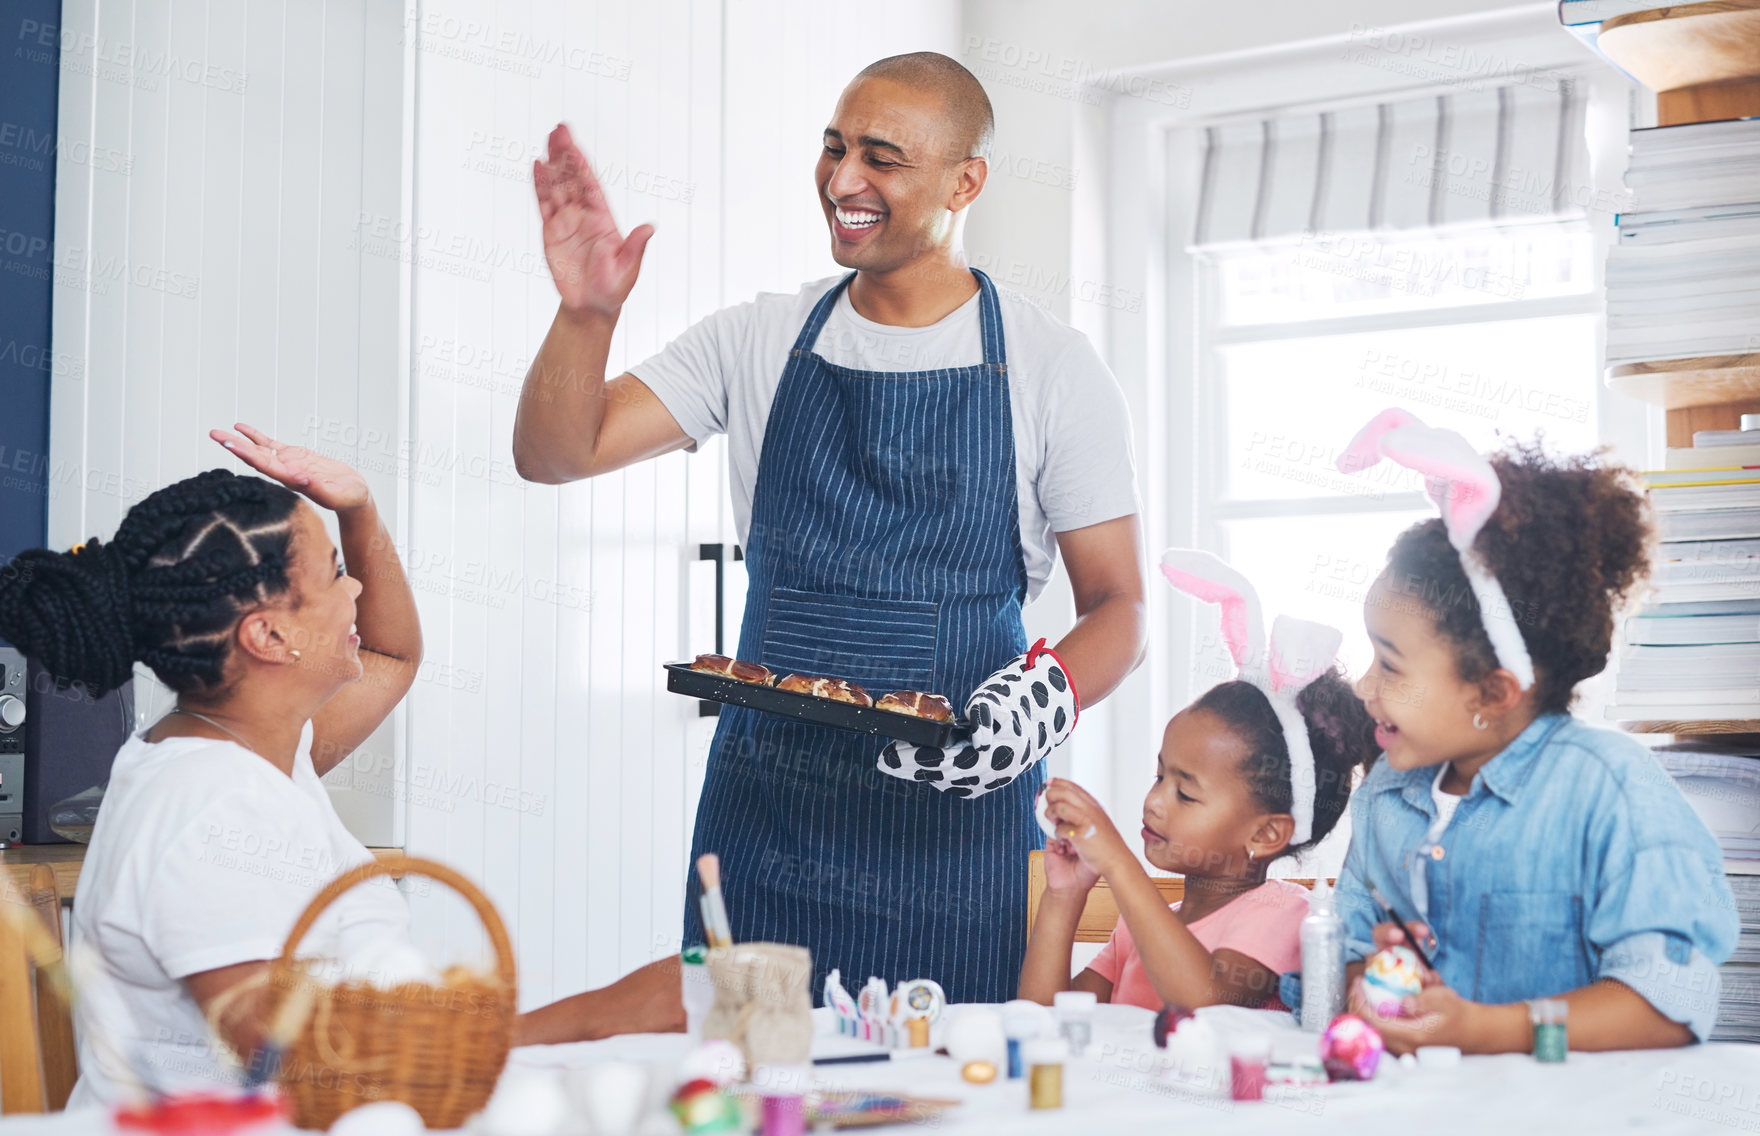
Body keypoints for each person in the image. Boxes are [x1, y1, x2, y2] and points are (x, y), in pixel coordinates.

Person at [513, 52, 1146, 1000]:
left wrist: (1029, 712)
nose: (843, 180)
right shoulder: (758, 338)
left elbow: (1120, 606)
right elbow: (556, 452)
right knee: (745, 1060)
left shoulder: (1053, 368)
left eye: (881, 159)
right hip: (769, 820)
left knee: (953, 1071)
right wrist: (585, 314)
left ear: (965, 181)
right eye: (834, 147)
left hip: (956, 837)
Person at [0, 426, 680, 1105]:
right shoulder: (211, 806)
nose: (355, 586)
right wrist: (591, 1018)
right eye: (332, 572)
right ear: (269, 634)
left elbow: (391, 655)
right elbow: (291, 1055)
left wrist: (359, 512)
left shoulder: (251, 746)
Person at [1334, 410, 1737, 1052]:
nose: (1363, 686)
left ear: (1493, 693)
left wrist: (1483, 1029)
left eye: (1390, 664)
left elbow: (1669, 1004)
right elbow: (1349, 949)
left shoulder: (1610, 789)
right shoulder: (1386, 794)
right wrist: (1377, 984)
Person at [1020, 553, 1377, 1010]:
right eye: (1159, 776)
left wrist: (1119, 863)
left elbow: (1204, 1003)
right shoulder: (1139, 927)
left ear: (1266, 833)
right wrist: (1063, 897)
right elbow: (1045, 1021)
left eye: (1185, 793)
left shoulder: (1283, 912)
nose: (1153, 801)